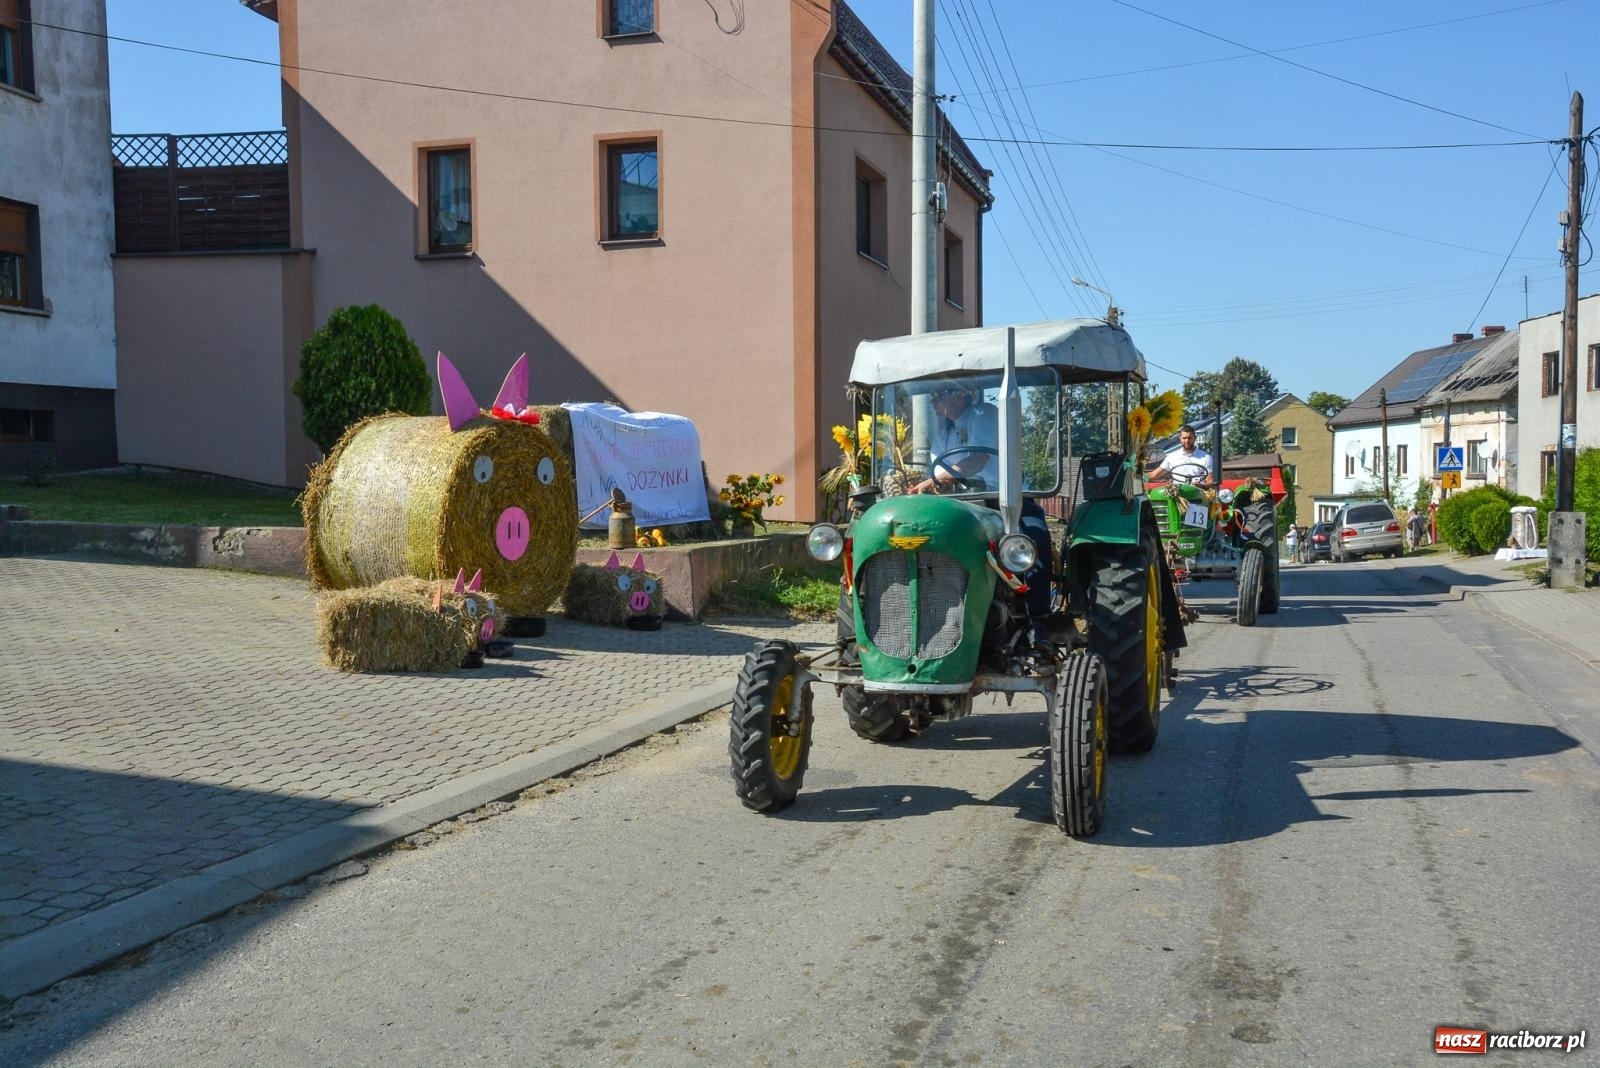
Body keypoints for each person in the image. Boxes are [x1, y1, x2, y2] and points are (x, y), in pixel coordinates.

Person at [912, 383, 998, 495]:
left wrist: (932, 482)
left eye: (937, 396)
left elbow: (978, 460)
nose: (932, 402)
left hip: (1002, 496)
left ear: (959, 396)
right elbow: (942, 476)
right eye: (932, 397)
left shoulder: (984, 414)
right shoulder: (942, 438)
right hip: (965, 498)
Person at [1148, 423, 1213, 486]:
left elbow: (1210, 481)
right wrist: (1139, 478)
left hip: (1197, 493)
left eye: (1190, 438)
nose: (1187, 441)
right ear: (1180, 439)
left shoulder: (1206, 457)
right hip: (1176, 492)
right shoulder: (1172, 457)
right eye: (1184, 438)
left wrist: (1201, 485)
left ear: (1195, 438)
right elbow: (1154, 475)